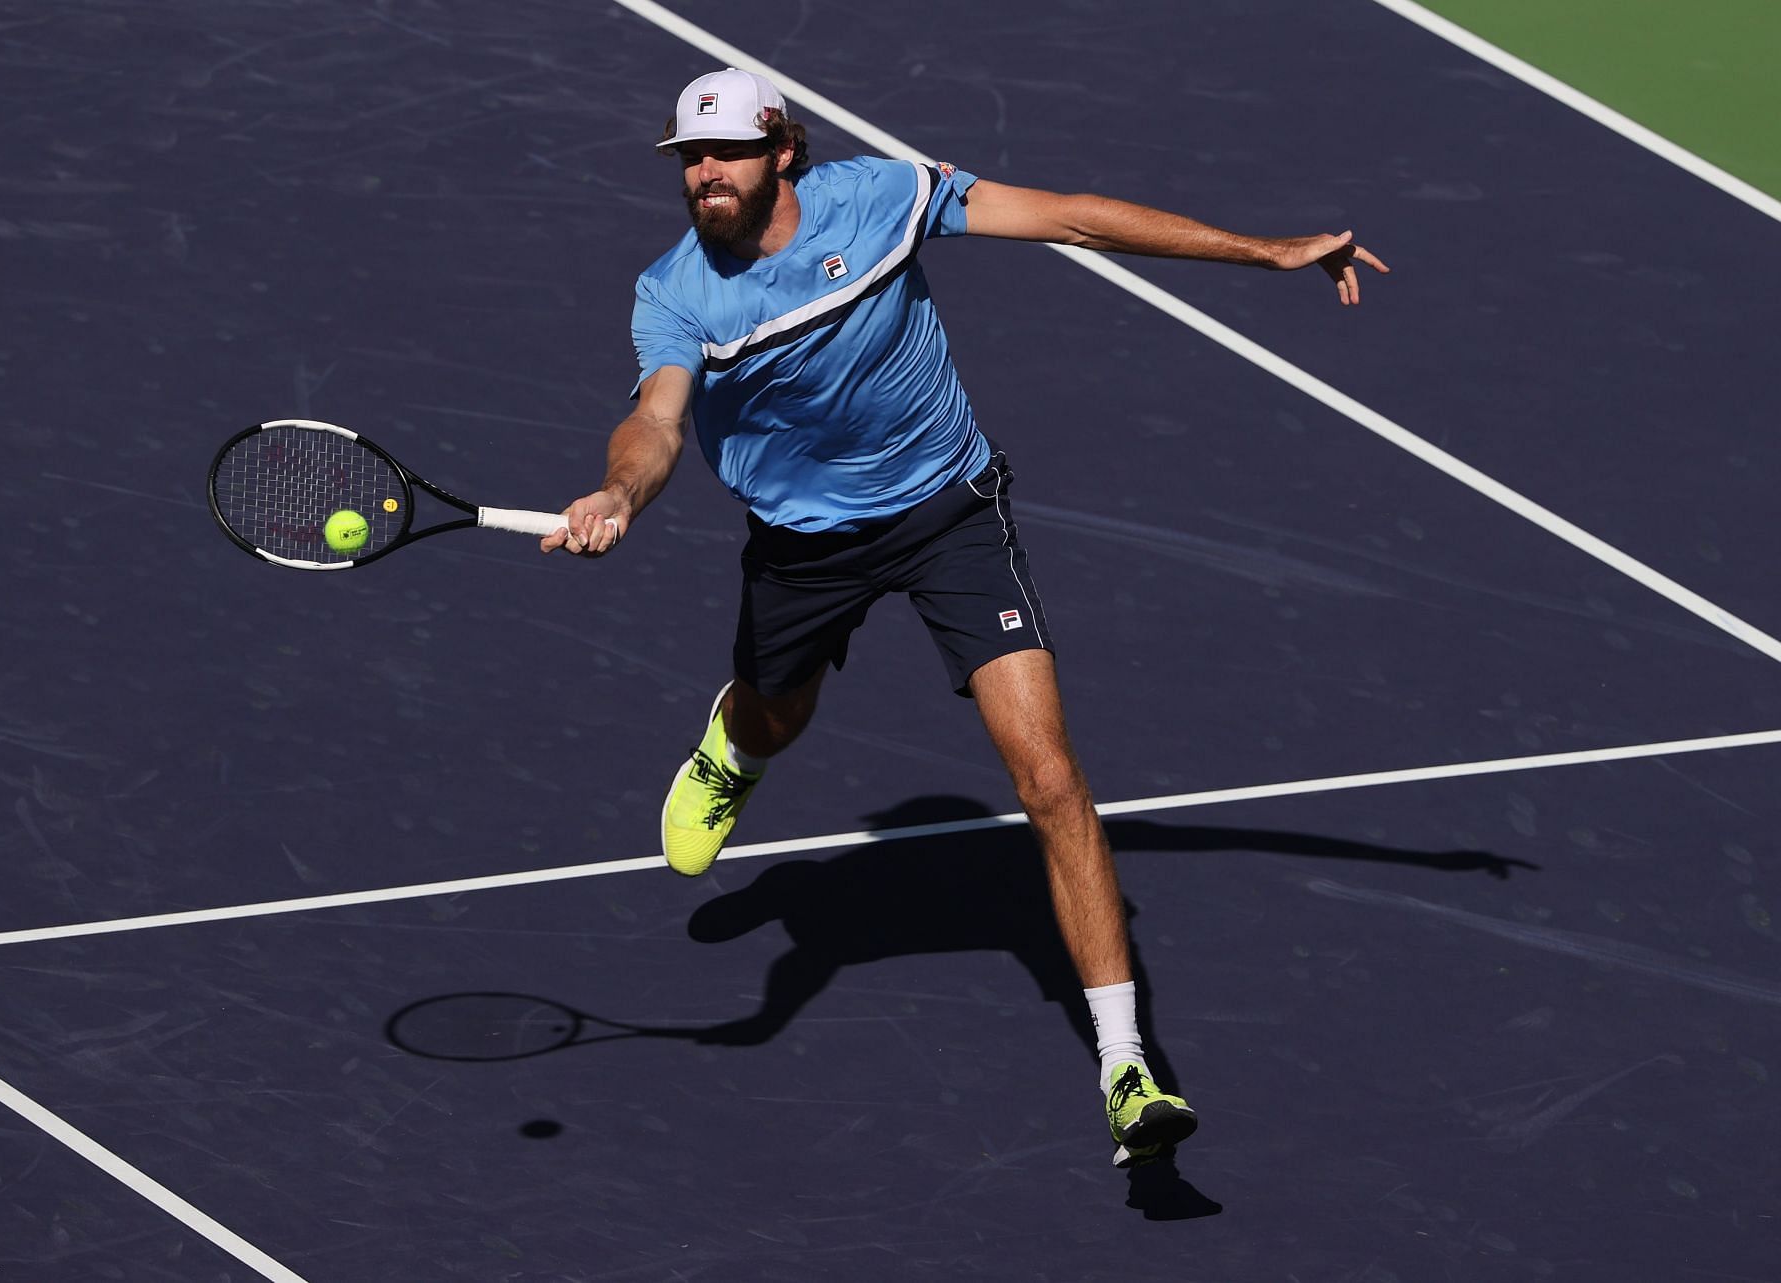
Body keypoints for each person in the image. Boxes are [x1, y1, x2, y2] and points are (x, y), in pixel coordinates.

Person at [542, 66, 1389, 1164]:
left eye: (729, 152)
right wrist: (620, 491)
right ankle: (732, 749)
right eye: (690, 157)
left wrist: (1268, 251)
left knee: (1049, 775)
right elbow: (656, 422)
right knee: (771, 716)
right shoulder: (675, 292)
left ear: (783, 151)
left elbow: (1074, 217)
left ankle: (1127, 1064)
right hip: (805, 548)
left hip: (949, 513)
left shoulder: (886, 198)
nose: (706, 172)